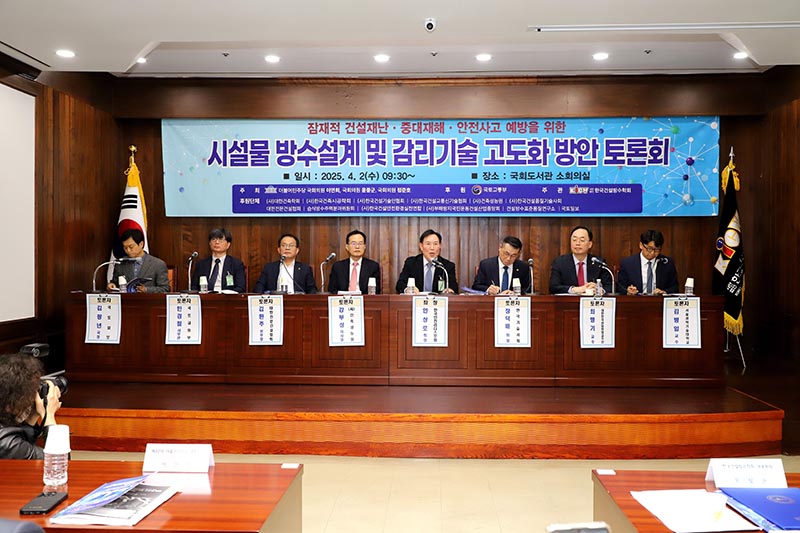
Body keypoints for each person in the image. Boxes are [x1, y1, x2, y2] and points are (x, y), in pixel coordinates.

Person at [0, 352, 62, 459]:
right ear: (13, 402)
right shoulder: (8, 444)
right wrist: (49, 415)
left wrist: (32, 415)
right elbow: (58, 461)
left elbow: (25, 449)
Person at [549, 225, 612, 294]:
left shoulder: (598, 263)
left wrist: (598, 290)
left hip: (591, 300)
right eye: (574, 240)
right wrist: (575, 289)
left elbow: (610, 287)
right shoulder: (560, 263)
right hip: (569, 300)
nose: (577, 243)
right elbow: (553, 287)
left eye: (582, 240)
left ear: (590, 244)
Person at [395, 229, 458, 294]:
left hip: (438, 300)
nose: (432, 248)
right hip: (416, 299)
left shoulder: (447, 266)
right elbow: (400, 284)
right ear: (421, 246)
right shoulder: (411, 263)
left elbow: (454, 286)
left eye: (435, 244)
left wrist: (450, 290)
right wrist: (408, 289)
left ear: (440, 246)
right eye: (428, 244)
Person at [106, 229, 170, 293]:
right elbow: (115, 283)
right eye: (125, 248)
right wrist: (112, 285)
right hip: (126, 299)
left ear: (141, 244)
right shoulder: (120, 263)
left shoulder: (158, 264)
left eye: (131, 247)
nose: (128, 250)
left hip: (148, 299)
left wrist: (146, 290)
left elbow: (165, 289)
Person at [617, 229, 679, 295]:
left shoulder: (667, 263)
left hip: (659, 300)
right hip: (636, 300)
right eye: (649, 249)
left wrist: (664, 292)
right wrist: (628, 291)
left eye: (656, 250)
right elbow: (620, 287)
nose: (652, 253)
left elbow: (674, 287)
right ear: (641, 245)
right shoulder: (627, 264)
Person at [253, 233, 318, 294]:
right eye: (284, 245)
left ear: (297, 250)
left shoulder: (305, 269)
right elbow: (259, 287)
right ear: (279, 250)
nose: (287, 248)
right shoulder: (269, 268)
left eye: (291, 245)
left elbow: (312, 289)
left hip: (296, 300)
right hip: (276, 300)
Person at [191, 228, 247, 293]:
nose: (217, 242)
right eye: (214, 239)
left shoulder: (236, 264)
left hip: (227, 298)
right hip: (205, 297)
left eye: (221, 240)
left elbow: (240, 287)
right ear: (209, 243)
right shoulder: (201, 264)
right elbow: (194, 287)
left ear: (228, 245)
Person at [327, 229, 382, 294]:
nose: (357, 247)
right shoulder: (338, 267)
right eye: (353, 243)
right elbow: (332, 289)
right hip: (343, 299)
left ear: (364, 247)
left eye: (360, 243)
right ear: (347, 247)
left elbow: (376, 291)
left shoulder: (372, 267)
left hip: (364, 299)